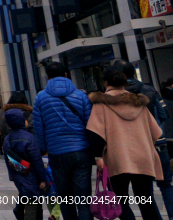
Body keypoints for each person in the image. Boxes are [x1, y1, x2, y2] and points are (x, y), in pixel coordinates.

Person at [88, 63, 163, 220]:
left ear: (106, 82)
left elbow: (96, 133)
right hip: (143, 156)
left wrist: (98, 157)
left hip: (117, 157)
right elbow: (155, 131)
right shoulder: (139, 102)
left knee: (120, 201)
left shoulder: (101, 104)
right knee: (146, 200)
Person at [31, 61, 93, 220]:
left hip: (56, 152)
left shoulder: (41, 98)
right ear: (66, 74)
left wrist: (44, 148)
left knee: (65, 197)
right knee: (83, 198)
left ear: (47, 76)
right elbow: (90, 124)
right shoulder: (80, 95)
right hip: (80, 150)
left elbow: (39, 127)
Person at [114, 59, 173, 219]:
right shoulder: (149, 89)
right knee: (166, 185)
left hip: (136, 147)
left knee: (143, 190)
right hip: (158, 142)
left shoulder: (115, 96)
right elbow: (164, 114)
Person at [4, 102, 49, 220]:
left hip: (18, 174)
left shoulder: (7, 139)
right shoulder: (29, 138)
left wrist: (12, 176)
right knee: (32, 205)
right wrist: (42, 179)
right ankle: (19, 210)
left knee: (28, 196)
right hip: (32, 176)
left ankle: (19, 209)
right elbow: (37, 161)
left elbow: (8, 160)